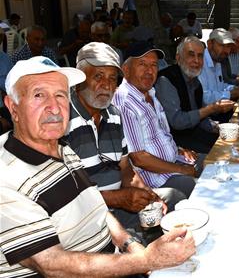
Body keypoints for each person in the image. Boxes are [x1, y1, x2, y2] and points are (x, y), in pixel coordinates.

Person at [0, 56, 195, 277]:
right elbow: (52, 265)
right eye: (39, 95)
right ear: (12, 107)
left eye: (60, 95)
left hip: (110, 259)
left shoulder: (63, 150)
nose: (54, 107)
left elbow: (97, 209)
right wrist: (145, 260)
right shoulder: (5, 175)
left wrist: (130, 245)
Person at [65, 42, 185, 234]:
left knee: (174, 202)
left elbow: (126, 169)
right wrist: (117, 198)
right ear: (79, 78)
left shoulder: (113, 114)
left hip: (117, 208)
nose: (106, 84)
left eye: (113, 78)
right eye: (98, 76)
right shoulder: (62, 120)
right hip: (85, 221)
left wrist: (148, 195)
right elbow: (65, 196)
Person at [113, 44, 199, 198]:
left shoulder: (150, 93)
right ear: (125, 69)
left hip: (175, 164)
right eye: (142, 64)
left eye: (153, 65)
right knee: (205, 187)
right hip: (157, 180)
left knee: (215, 162)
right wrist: (181, 169)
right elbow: (138, 158)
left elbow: (159, 135)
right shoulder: (125, 102)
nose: (149, 70)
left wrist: (178, 151)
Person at [156, 36, 234, 153]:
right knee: (220, 151)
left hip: (193, 134)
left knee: (230, 144)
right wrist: (211, 108)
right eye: (191, 55)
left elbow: (199, 117)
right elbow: (177, 122)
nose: (196, 61)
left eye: (200, 56)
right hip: (175, 143)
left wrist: (217, 128)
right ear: (178, 58)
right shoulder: (166, 79)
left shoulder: (195, 81)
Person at [197, 28, 239, 109]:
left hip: (218, 110)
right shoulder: (199, 62)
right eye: (222, 45)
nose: (226, 51)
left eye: (229, 47)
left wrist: (236, 88)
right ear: (210, 44)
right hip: (207, 115)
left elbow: (221, 86)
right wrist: (233, 93)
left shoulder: (217, 60)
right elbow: (204, 97)